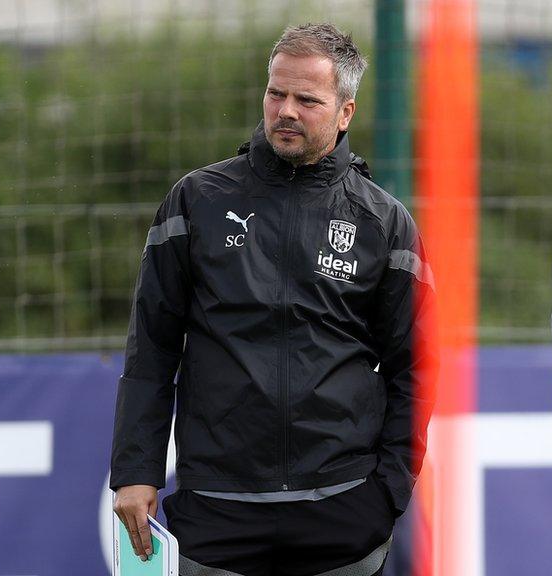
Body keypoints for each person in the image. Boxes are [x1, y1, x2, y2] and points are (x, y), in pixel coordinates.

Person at [110, 23, 436, 576]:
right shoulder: (196, 201)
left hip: (342, 509)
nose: (286, 110)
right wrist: (135, 470)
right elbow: (152, 349)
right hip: (217, 508)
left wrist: (389, 489)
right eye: (276, 93)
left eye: (307, 99)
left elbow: (418, 368)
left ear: (345, 112)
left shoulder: (384, 223)